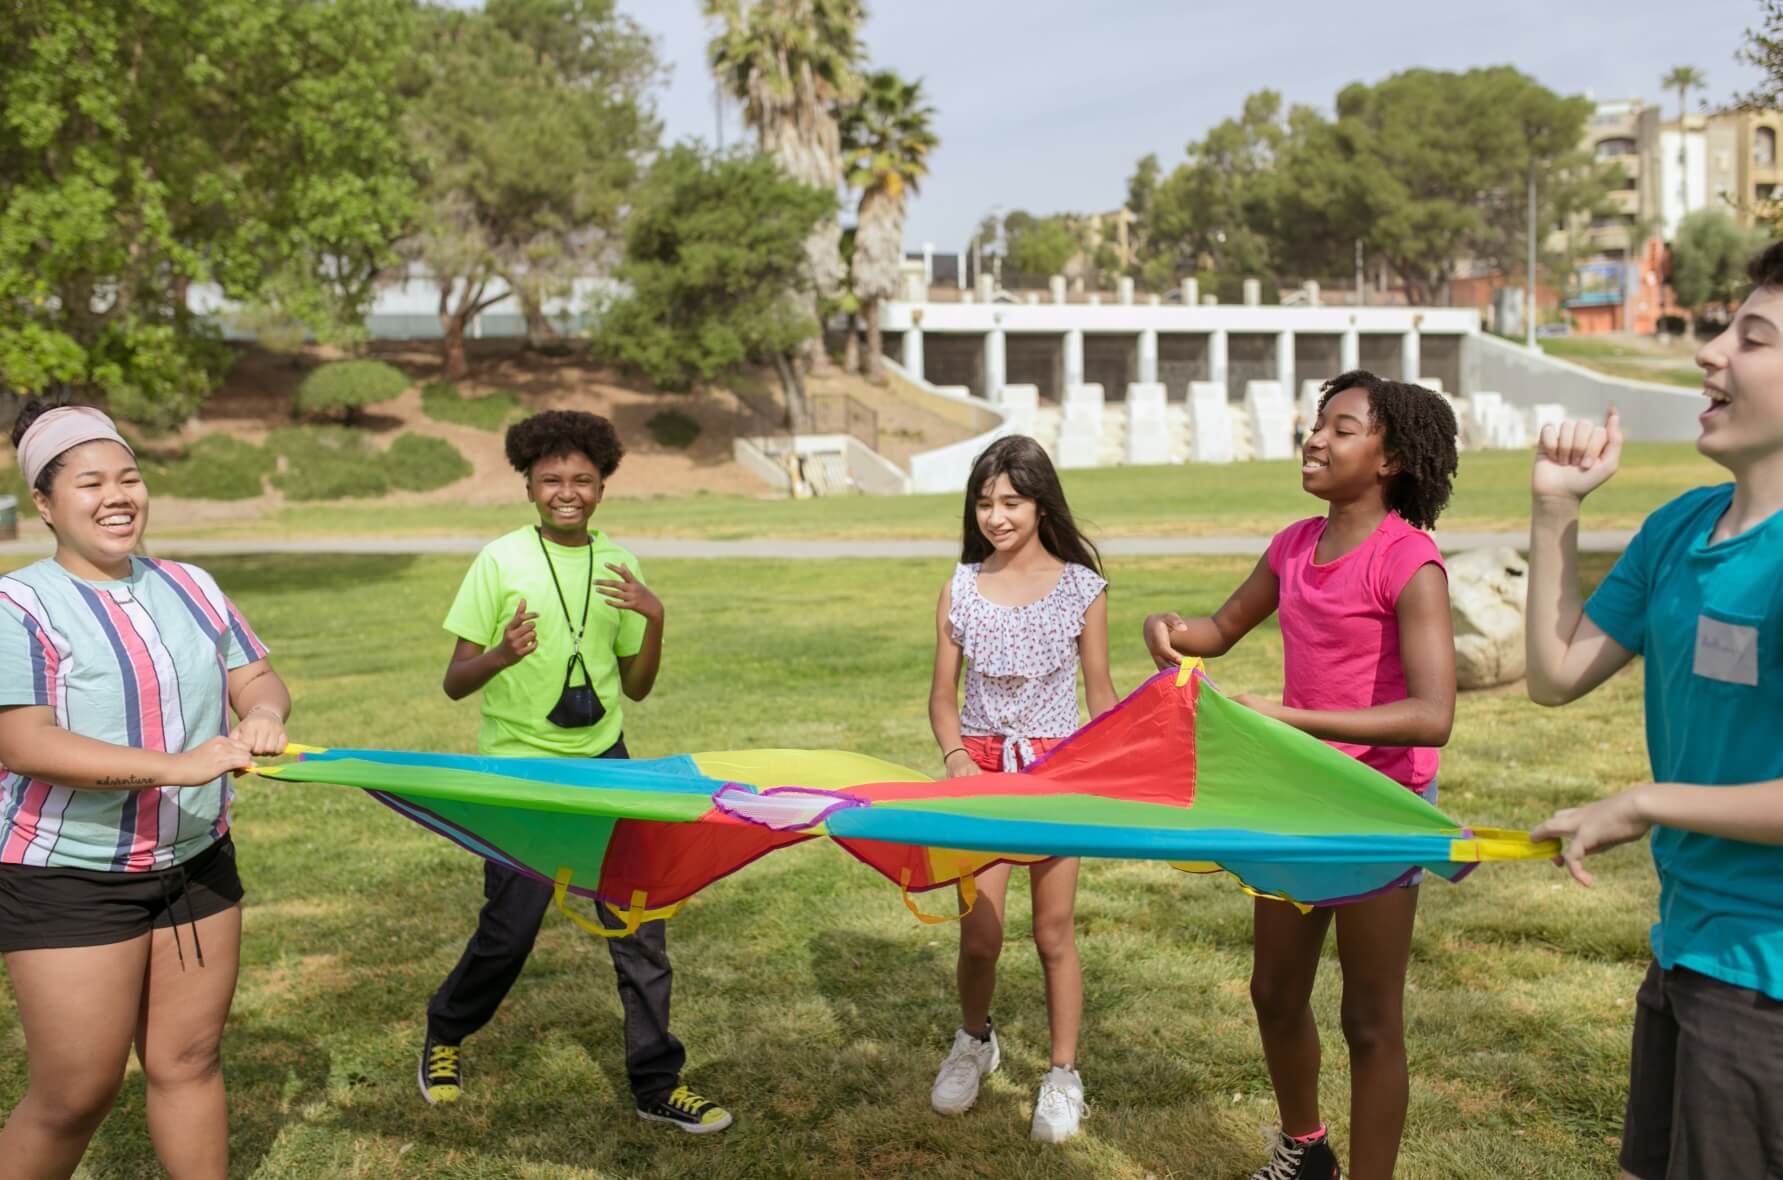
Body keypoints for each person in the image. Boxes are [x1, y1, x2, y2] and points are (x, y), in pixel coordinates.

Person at [1143, 370, 1458, 1180]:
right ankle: (1304, 1149)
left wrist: (1290, 720)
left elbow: (1432, 715)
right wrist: (1170, 629)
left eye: (1343, 428)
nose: (1316, 439)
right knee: (1274, 992)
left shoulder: (1409, 561)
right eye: (1317, 425)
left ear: (1389, 459)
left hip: (1373, 805)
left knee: (1369, 1020)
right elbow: (1219, 628)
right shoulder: (1291, 545)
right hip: (1292, 802)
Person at [1525, 242, 1783, 1180]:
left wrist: (1642, 803)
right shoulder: (1679, 525)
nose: (1707, 353)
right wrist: (1554, 511)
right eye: (1721, 328)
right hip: (1686, 949)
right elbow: (1554, 673)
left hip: (1767, 975)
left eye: (1750, 338)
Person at [417, 410, 731, 1134]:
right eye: (551, 478)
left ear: (603, 485)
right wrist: (502, 654)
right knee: (510, 929)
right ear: (527, 482)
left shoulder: (620, 563)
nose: (567, 491)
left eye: (582, 479)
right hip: (520, 773)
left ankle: (658, 1081)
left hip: (607, 766)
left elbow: (640, 686)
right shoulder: (499, 560)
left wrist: (655, 618)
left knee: (638, 925)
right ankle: (445, 1033)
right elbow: (455, 681)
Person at [0, 400, 290, 1180]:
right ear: (44, 503)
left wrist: (261, 714)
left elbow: (257, 678)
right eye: (90, 482)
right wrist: (179, 766)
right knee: (75, 1093)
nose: (117, 495)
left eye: (129, 476)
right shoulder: (17, 605)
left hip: (196, 863)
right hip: (70, 877)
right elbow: (21, 742)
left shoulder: (192, 584)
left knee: (189, 1059)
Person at [926, 435, 1116, 1143]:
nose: (995, 516)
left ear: (1041, 503)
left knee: (1052, 933)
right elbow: (941, 697)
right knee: (980, 936)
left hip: (1056, 775)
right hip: (976, 776)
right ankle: (974, 1040)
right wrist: (954, 758)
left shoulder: (1081, 588)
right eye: (983, 502)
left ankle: (1062, 1074)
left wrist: (1119, 763)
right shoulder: (959, 586)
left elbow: (1101, 696)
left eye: (1010, 501)